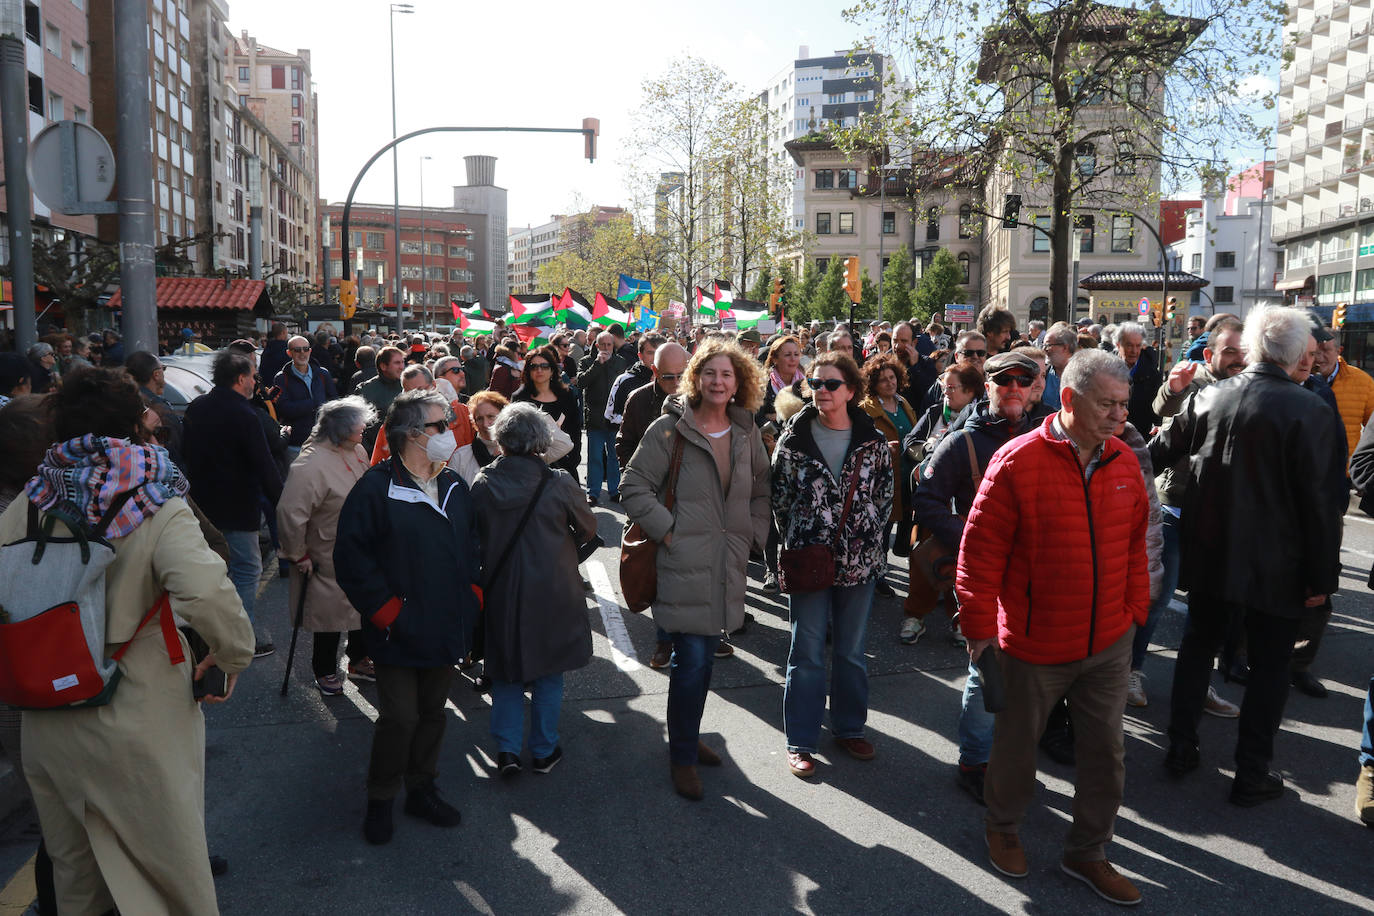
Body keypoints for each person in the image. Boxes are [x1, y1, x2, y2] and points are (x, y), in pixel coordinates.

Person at [1, 368, 254, 914]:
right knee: (172, 873)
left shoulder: (31, 499)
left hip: (46, 715)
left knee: (75, 877)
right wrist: (231, 654)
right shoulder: (152, 496)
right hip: (134, 711)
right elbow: (207, 591)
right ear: (135, 426)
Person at [959, 349, 1149, 905]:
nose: (1120, 415)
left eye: (1125, 403)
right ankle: (1004, 827)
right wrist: (979, 631)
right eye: (1109, 404)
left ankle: (1088, 852)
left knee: (1106, 756)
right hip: (1033, 643)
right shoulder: (1018, 461)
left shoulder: (1123, 460)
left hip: (1109, 642)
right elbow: (979, 555)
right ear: (1069, 400)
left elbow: (1137, 545)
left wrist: (1134, 609)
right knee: (1017, 750)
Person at [1150, 306, 1344, 807]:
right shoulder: (1312, 410)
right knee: (1270, 667)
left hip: (1214, 552)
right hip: (1280, 566)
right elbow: (1323, 506)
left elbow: (1156, 451)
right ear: (1299, 352)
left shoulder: (1210, 395)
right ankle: (1251, 771)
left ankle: (1180, 746)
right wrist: (1323, 578)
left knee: (1199, 647)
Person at [620, 339, 770, 801]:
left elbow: (762, 488)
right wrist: (669, 533)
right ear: (696, 379)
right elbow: (633, 486)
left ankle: (688, 736)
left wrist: (753, 533)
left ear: (740, 381)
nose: (719, 382)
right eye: (710, 374)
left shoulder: (745, 431)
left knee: (703, 662)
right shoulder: (670, 429)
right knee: (693, 662)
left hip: (728, 561)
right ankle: (682, 755)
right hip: (682, 560)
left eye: (727, 374)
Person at [334, 390, 482, 844]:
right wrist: (389, 612)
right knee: (400, 717)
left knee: (433, 713)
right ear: (412, 435)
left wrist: (472, 596)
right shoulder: (376, 488)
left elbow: (474, 546)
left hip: (445, 623)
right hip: (397, 628)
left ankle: (421, 788)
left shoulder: (455, 486)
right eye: (441, 425)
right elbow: (351, 560)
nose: (451, 432)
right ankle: (380, 798)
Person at [909, 352, 1041, 797]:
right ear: (988, 386)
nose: (1015, 389)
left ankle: (1011, 757)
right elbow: (926, 499)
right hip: (984, 573)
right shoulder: (963, 441)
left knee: (1028, 674)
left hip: (1033, 575)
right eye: (1005, 381)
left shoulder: (1044, 435)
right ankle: (974, 763)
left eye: (1025, 381)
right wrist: (972, 536)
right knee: (985, 666)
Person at [772, 351, 893, 779]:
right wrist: (801, 537)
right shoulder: (794, 438)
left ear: (851, 391)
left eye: (830, 384)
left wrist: (868, 536)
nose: (821, 391)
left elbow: (884, 498)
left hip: (859, 562)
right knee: (805, 652)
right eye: (815, 383)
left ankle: (848, 727)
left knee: (851, 651)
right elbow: (780, 499)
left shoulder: (872, 440)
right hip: (809, 560)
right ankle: (801, 740)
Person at [470, 403, 598, 777]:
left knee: (505, 672)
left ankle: (507, 750)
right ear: (541, 441)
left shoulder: (483, 482)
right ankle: (543, 749)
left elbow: (472, 537)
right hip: (554, 589)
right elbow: (589, 527)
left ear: (501, 439)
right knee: (549, 673)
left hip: (502, 589)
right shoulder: (558, 482)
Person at [1129, 316, 1246, 713]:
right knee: (1157, 597)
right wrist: (1173, 386)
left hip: (1224, 517)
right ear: (1211, 354)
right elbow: (1165, 405)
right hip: (1177, 508)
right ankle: (1131, 670)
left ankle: (1199, 683)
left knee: (1210, 605)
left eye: (1244, 352)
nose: (1238, 359)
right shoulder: (1197, 385)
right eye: (1230, 351)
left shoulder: (1255, 390)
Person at [182, 350, 284, 656]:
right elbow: (264, 463)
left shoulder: (197, 407)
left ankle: (210, 634)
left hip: (201, 504)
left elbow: (185, 453)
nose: (256, 381)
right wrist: (283, 502)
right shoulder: (244, 414)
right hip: (237, 506)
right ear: (241, 379)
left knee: (213, 570)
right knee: (246, 568)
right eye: (252, 376)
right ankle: (242, 637)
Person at [276, 397, 377, 696]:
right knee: (329, 615)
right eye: (358, 423)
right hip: (325, 550)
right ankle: (324, 669)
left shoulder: (355, 448)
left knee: (362, 605)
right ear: (341, 427)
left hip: (359, 546)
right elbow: (289, 512)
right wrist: (297, 554)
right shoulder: (311, 463)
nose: (364, 427)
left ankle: (358, 660)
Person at [617, 343, 690, 669]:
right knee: (660, 572)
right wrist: (636, 481)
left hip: (692, 499)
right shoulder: (639, 399)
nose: (676, 383)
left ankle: (703, 634)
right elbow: (625, 442)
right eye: (669, 377)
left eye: (682, 375)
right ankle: (664, 640)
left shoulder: (703, 398)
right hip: (655, 499)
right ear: (655, 373)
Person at [858, 352, 917, 599]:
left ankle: (884, 570)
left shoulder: (903, 402)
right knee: (879, 530)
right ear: (873, 384)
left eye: (892, 377)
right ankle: (876, 575)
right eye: (883, 380)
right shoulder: (866, 408)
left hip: (906, 476)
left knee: (901, 527)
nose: (890, 383)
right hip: (880, 480)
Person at [514, 345, 582, 482]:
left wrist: (574, 458)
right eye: (534, 366)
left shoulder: (567, 396)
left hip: (565, 465)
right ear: (528, 371)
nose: (539, 370)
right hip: (531, 468)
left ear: (552, 370)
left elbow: (575, 430)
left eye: (544, 366)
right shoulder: (520, 398)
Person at [577, 331, 627, 505]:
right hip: (595, 419)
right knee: (595, 457)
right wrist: (597, 364)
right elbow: (581, 382)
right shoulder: (586, 361)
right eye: (603, 345)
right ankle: (593, 492)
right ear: (596, 345)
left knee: (615, 457)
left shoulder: (620, 362)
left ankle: (615, 490)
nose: (606, 348)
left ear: (613, 346)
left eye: (609, 345)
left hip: (614, 420)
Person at [1314, 319, 1374, 459]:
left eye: (1325, 350)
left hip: (1345, 471)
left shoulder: (1363, 382)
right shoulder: (1298, 378)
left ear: (1339, 351)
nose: (1318, 357)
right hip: (1306, 471)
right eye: (1314, 352)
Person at [273, 335, 339, 457]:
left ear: (310, 351)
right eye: (297, 350)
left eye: (305, 349)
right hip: (296, 444)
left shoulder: (323, 374)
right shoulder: (282, 378)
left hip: (323, 441)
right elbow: (284, 408)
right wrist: (314, 403)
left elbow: (334, 403)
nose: (302, 353)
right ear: (289, 353)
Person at [125, 350, 186, 465]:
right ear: (156, 375)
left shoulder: (120, 403)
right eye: (163, 369)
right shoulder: (160, 410)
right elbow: (173, 450)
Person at [1115, 321, 1161, 437]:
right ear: (1118, 345)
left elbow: (1157, 407)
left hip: (1140, 437)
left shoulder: (1152, 373)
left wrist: (1158, 424)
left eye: (1138, 346)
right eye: (1129, 345)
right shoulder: (1106, 369)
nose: (1134, 351)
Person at [358, 346, 405, 453]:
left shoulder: (408, 385)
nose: (402, 366)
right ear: (383, 366)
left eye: (403, 362)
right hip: (377, 451)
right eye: (397, 363)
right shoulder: (365, 390)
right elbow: (358, 425)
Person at [470, 390, 509, 467]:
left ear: (505, 417)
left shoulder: (522, 451)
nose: (485, 424)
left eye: (491, 417)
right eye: (480, 419)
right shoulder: (460, 457)